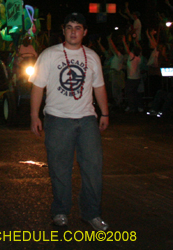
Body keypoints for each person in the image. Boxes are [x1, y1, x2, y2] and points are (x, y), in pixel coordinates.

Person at [29, 12, 109, 231]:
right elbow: (37, 86)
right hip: (57, 120)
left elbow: (99, 86)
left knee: (93, 168)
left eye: (78, 28)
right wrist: (35, 116)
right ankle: (60, 211)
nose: (74, 32)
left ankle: (91, 213)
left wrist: (104, 113)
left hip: (87, 120)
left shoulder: (92, 56)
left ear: (84, 32)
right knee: (60, 168)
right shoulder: (49, 55)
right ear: (63, 31)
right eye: (69, 27)